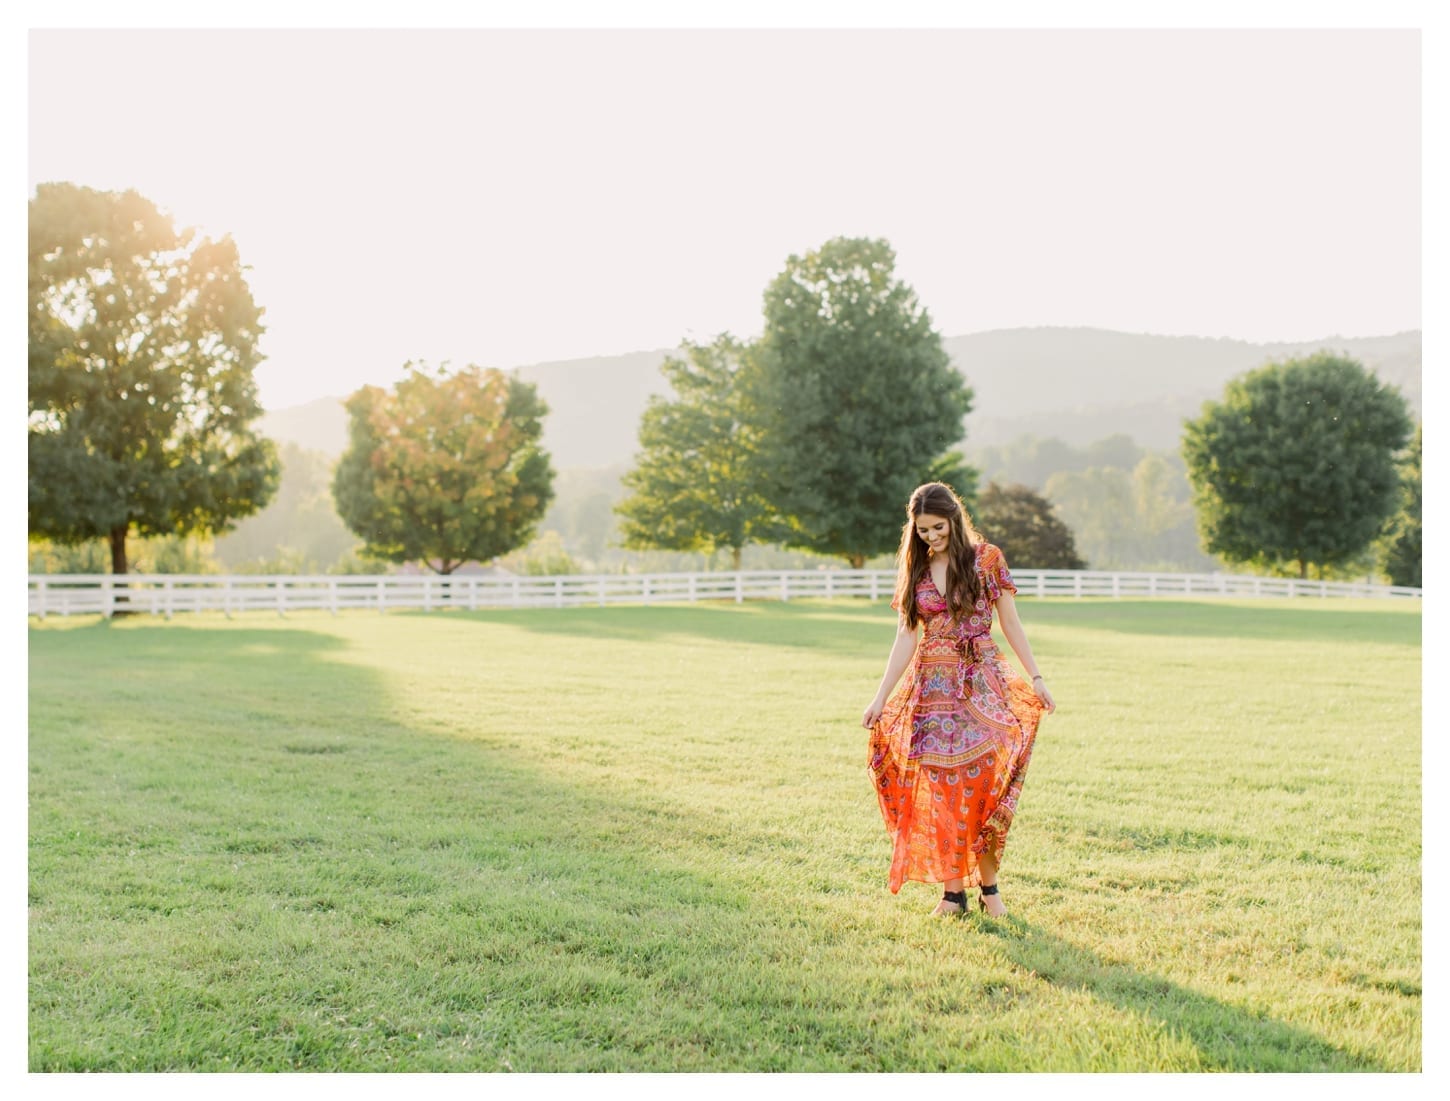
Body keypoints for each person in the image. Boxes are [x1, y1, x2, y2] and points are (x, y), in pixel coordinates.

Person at [861, 482, 1055, 918]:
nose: (931, 536)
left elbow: (1011, 622)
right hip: (930, 691)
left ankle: (990, 888)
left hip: (982, 685)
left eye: (937, 527)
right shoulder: (916, 568)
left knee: (984, 787)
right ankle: (953, 895)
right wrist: (879, 698)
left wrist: (1037, 677)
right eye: (922, 530)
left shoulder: (987, 560)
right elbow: (904, 638)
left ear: (954, 516)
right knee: (943, 792)